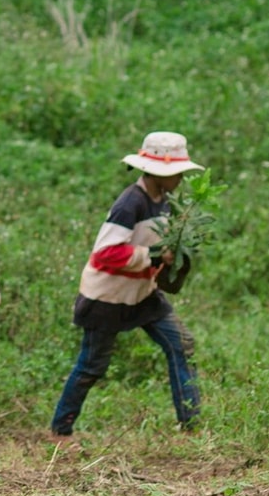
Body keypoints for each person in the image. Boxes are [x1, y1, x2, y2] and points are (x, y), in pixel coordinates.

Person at [49, 131, 204, 437]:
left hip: (143, 293)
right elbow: (106, 253)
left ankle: (192, 427)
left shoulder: (167, 202)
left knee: (182, 345)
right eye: (176, 174)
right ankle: (60, 429)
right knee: (92, 365)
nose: (181, 179)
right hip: (107, 297)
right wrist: (156, 253)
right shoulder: (130, 203)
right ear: (156, 172)